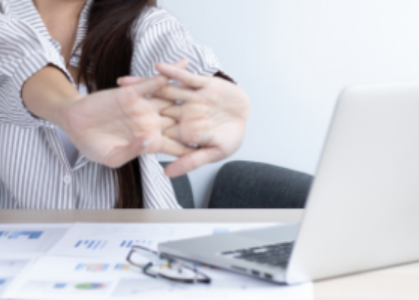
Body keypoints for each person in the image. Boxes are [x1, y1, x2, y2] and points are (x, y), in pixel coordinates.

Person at [0, 0, 249, 209]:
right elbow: (16, 57)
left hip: (142, 247)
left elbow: (172, 51)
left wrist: (210, 92)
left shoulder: (139, 20)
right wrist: (68, 109)